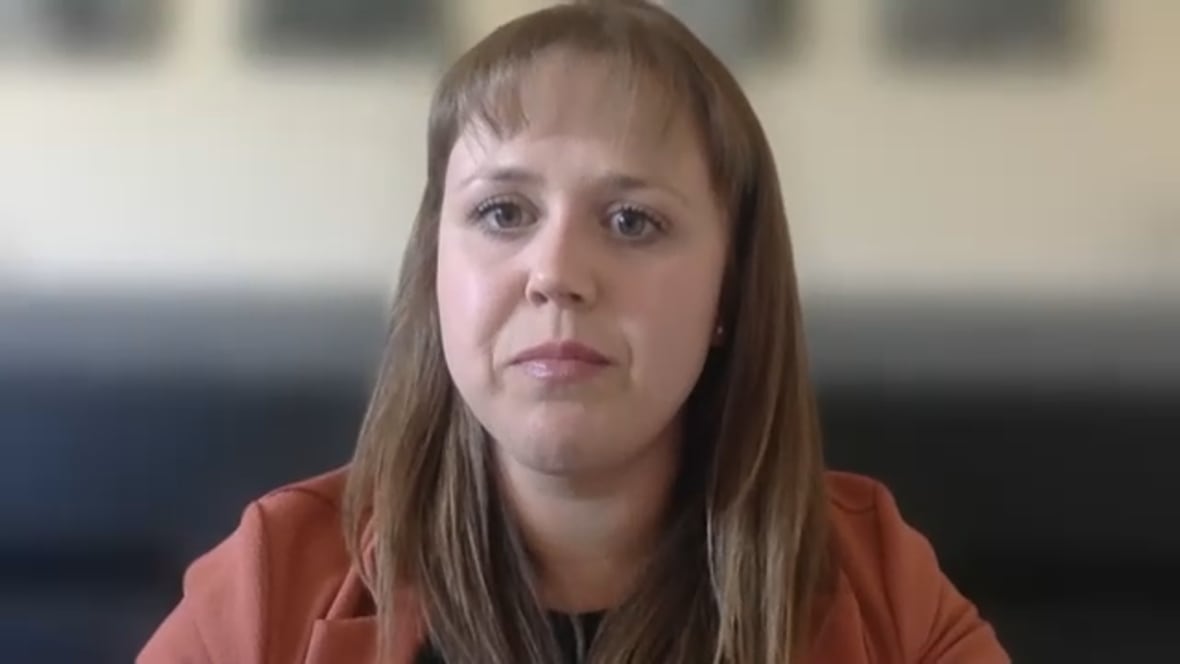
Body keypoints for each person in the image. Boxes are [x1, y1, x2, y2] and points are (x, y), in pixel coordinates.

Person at [138, 1, 1009, 662]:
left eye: (632, 221)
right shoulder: (274, 586)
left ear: (728, 295)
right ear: (435, 270)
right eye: (503, 211)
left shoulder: (881, 586)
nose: (556, 273)